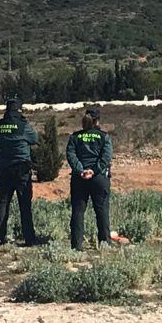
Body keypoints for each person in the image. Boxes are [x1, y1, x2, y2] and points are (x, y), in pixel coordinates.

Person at [0, 98, 39, 246]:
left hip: (5, 168)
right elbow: (34, 139)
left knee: (3, 203)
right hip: (22, 169)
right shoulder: (23, 126)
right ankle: (29, 238)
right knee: (24, 204)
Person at [66, 106, 113, 250]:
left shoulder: (75, 137)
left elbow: (71, 155)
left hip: (79, 179)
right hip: (99, 178)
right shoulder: (104, 137)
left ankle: (76, 245)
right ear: (97, 120)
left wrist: (81, 170)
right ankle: (104, 244)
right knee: (102, 211)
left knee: (78, 212)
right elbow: (106, 157)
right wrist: (93, 171)